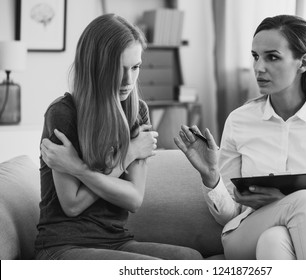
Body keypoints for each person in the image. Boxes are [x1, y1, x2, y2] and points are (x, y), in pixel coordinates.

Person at [175, 14, 306, 260]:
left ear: (303, 62)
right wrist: (210, 176)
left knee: (275, 240)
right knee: (302, 202)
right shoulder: (240, 120)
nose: (258, 68)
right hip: (247, 233)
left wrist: (285, 202)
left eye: (272, 57)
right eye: (255, 56)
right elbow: (230, 214)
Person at [35, 14, 202, 260]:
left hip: (116, 240)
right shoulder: (62, 114)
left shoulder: (137, 112)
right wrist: (130, 153)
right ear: (95, 66)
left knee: (191, 259)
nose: (128, 80)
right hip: (63, 246)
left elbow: (134, 198)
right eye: (118, 69)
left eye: (135, 67)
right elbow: (72, 205)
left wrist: (79, 169)